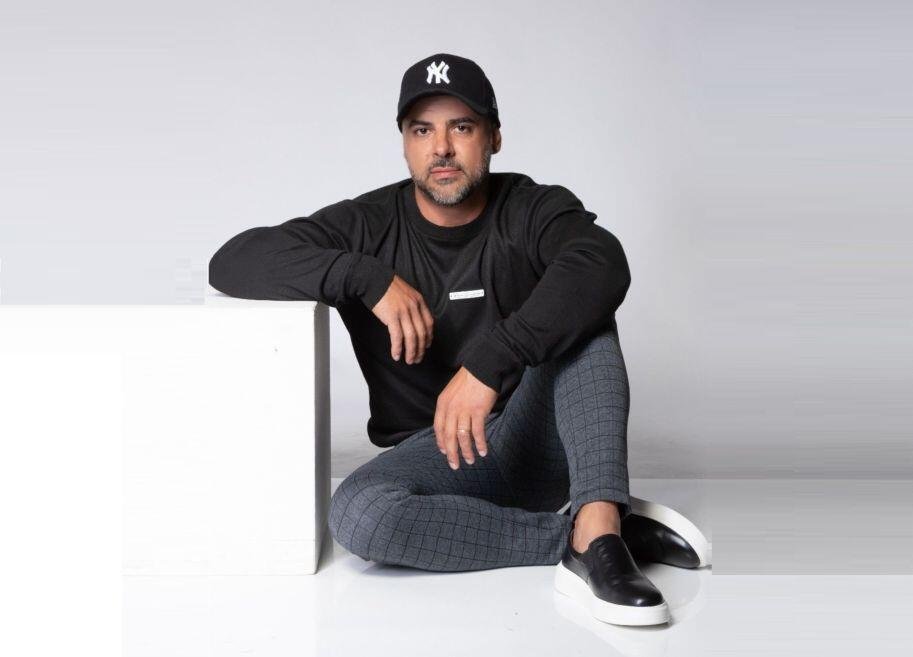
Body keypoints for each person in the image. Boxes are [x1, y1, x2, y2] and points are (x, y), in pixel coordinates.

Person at [208, 52, 710, 626]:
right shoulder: (368, 226)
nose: (441, 148)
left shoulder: (530, 207)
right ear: (405, 143)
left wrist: (491, 361)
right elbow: (233, 260)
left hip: (533, 438)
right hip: (437, 466)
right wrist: (365, 277)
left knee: (586, 318)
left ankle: (596, 522)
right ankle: (592, 536)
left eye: (462, 128)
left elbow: (602, 261)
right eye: (422, 130)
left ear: (493, 137)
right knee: (358, 517)